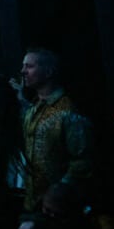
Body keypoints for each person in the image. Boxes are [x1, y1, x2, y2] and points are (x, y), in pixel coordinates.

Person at [18, 48, 91, 210]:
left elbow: (83, 160)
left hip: (59, 208)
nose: (23, 71)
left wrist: (60, 191)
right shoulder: (32, 110)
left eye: (29, 66)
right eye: (23, 66)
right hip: (33, 204)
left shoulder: (68, 111)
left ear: (48, 71)